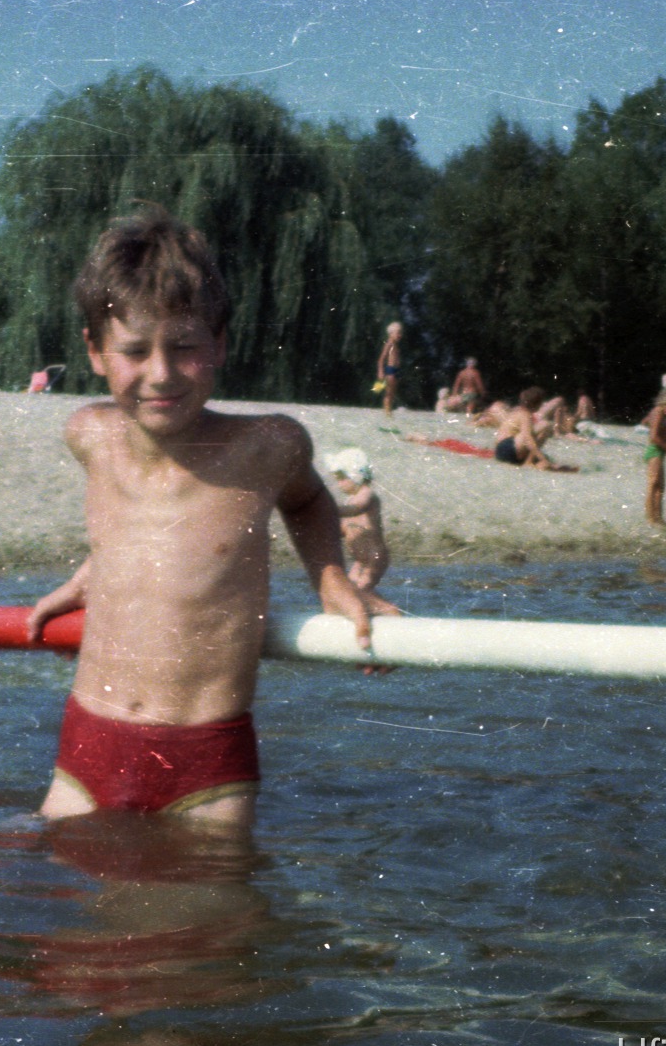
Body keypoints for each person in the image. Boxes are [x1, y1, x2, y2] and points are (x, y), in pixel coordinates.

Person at [24, 206, 395, 828]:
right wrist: (91, 578)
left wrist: (330, 579)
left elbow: (306, 502)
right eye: (135, 350)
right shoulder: (89, 435)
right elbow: (131, 531)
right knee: (73, 917)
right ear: (94, 351)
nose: (161, 373)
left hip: (205, 760)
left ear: (220, 342)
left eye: (186, 346)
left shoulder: (267, 446)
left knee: (210, 918)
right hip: (87, 743)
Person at [325, 448, 389, 593]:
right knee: (352, 590)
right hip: (360, 560)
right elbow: (346, 527)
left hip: (375, 557)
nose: (338, 484)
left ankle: (388, 611)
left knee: (363, 587)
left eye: (342, 478)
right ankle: (373, 608)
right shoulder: (350, 499)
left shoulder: (366, 494)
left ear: (355, 475)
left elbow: (356, 509)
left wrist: (329, 510)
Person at [493, 388, 573, 471]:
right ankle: (528, 462)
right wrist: (543, 459)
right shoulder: (525, 414)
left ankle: (534, 462)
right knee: (546, 425)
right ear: (537, 404)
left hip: (500, 452)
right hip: (509, 448)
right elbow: (528, 439)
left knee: (537, 434)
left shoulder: (516, 412)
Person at [642, 388, 666, 525]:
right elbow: (653, 437)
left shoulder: (658, 413)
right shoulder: (658, 412)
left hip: (659, 451)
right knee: (653, 485)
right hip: (655, 451)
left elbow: (646, 422)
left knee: (660, 487)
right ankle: (651, 519)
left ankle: (658, 518)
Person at [375, 321, 404, 415]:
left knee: (392, 392)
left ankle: (389, 409)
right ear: (391, 333)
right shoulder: (389, 343)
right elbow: (381, 359)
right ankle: (386, 410)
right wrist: (380, 371)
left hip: (395, 370)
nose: (400, 335)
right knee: (388, 392)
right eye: (398, 332)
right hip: (390, 370)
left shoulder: (396, 345)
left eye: (401, 332)